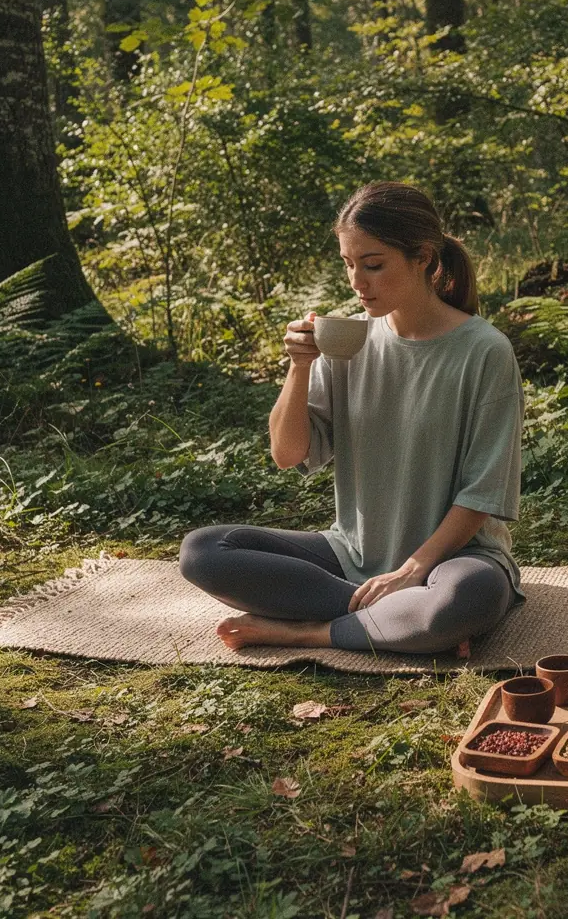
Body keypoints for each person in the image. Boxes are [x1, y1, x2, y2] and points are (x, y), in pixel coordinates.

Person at [178, 181, 525, 654]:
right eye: (348, 264)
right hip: (353, 553)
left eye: (373, 265)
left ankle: (312, 631)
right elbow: (288, 454)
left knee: (463, 599)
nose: (357, 283)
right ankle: (401, 624)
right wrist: (299, 368)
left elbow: (481, 492)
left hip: (456, 559)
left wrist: (411, 570)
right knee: (204, 551)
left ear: (422, 256)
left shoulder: (485, 351)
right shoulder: (346, 341)